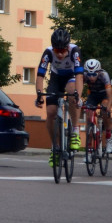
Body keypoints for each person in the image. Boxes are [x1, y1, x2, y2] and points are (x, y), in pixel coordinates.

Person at [34, 28, 84, 166]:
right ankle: (55, 147)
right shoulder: (48, 52)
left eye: (63, 51)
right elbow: (40, 76)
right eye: (57, 51)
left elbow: (79, 76)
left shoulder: (75, 51)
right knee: (50, 112)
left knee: (72, 92)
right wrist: (39, 94)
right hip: (56, 79)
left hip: (72, 76)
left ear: (68, 47)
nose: (60, 54)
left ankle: (74, 130)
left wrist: (78, 96)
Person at [81, 58, 112, 155]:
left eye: (94, 74)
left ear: (98, 72)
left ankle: (108, 136)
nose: (91, 77)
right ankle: (90, 148)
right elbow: (79, 87)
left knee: (104, 110)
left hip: (104, 94)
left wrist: (109, 106)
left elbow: (110, 95)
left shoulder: (104, 75)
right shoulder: (84, 75)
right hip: (93, 95)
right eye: (89, 74)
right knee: (88, 117)